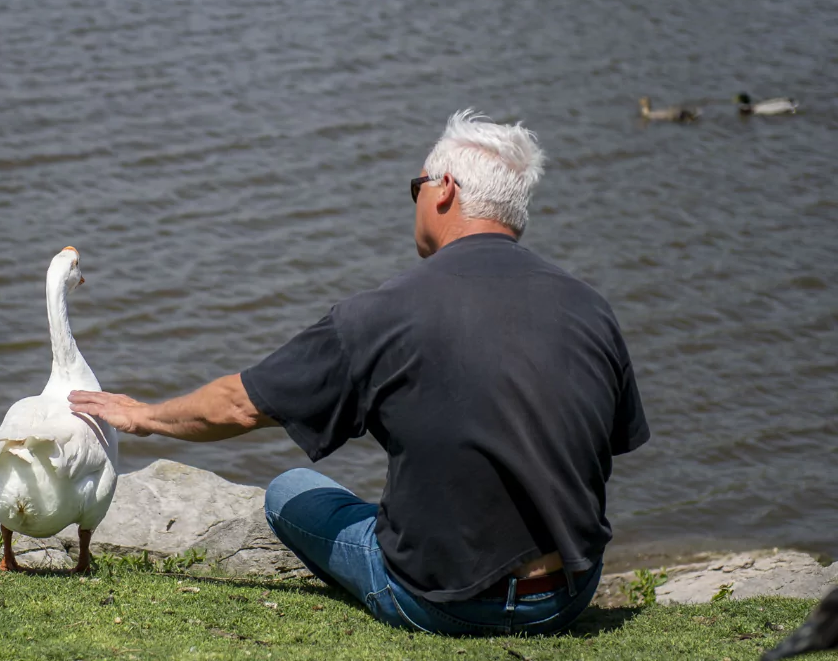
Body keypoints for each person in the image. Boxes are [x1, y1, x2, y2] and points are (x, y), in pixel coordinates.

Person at [69, 109, 649, 636]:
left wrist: (144, 416)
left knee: (291, 489)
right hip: (567, 594)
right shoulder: (591, 308)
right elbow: (609, 444)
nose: (415, 199)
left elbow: (240, 405)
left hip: (442, 601)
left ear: (445, 190)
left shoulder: (384, 313)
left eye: (417, 187)